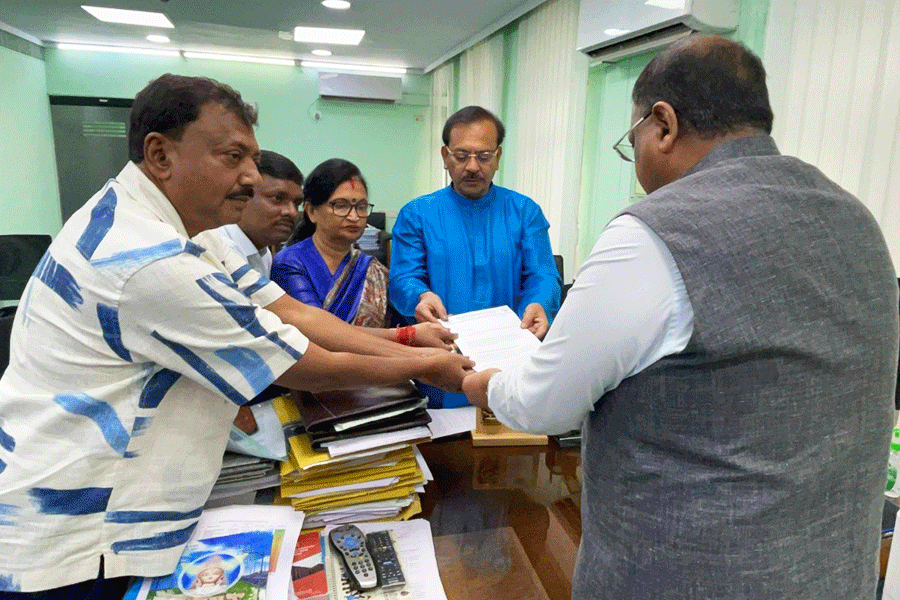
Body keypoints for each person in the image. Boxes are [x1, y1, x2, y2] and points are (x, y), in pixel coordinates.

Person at [0, 73, 472, 599]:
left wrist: (406, 338)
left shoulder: (193, 232)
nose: (251, 176)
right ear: (161, 156)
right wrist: (425, 366)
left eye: (253, 157)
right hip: (76, 542)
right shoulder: (148, 259)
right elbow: (301, 364)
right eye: (232, 157)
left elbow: (294, 314)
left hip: (107, 515)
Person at [463, 36, 898, 599]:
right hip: (833, 576)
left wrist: (479, 383)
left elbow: (545, 403)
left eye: (633, 138)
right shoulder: (857, 218)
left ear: (662, 124)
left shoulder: (654, 233)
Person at [389, 106, 561, 407]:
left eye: (483, 156)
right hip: (443, 360)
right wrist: (421, 295)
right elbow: (404, 277)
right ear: (445, 157)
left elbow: (542, 275)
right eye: (461, 155)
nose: (472, 166)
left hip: (511, 360)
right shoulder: (417, 214)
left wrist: (539, 303)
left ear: (497, 157)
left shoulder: (524, 212)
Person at [272, 159, 388, 328]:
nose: (354, 217)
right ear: (311, 211)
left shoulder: (372, 269)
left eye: (361, 207)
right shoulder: (289, 263)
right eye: (341, 206)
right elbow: (318, 331)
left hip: (377, 353)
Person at [212, 149, 304, 275]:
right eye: (278, 198)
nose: (292, 212)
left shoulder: (263, 254)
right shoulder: (218, 248)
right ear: (244, 196)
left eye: (297, 204)